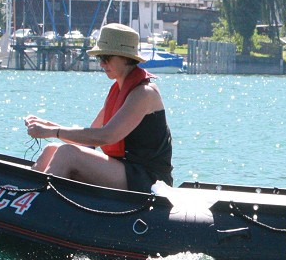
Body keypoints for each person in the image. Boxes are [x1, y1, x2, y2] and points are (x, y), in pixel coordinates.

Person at [23, 23, 173, 191]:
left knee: (67, 154)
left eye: (106, 57)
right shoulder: (119, 91)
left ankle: (39, 202)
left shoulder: (144, 93)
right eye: (100, 58)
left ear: (126, 57)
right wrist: (48, 126)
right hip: (124, 169)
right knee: (52, 149)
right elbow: (89, 139)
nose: (102, 63)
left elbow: (105, 136)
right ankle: (24, 199)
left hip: (149, 178)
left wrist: (53, 132)